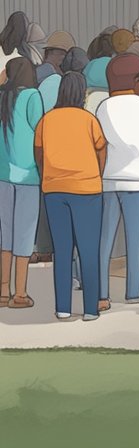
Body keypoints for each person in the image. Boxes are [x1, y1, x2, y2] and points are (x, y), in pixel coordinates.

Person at [95, 54, 139, 309]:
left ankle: (101, 292)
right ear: (137, 79)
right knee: (135, 241)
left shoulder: (102, 106)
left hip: (108, 180)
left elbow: (97, 142)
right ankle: (133, 291)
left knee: (104, 240)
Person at [34, 72, 107, 320]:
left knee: (62, 251)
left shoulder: (47, 120)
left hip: (54, 190)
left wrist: (47, 175)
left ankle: (63, 308)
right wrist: (97, 174)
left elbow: (39, 153)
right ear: (82, 93)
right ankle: (90, 309)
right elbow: (101, 149)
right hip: (87, 189)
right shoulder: (89, 120)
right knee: (88, 250)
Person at [0, 57, 45, 308]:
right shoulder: (32, 97)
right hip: (28, 174)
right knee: (25, 234)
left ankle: (3, 290)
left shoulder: (2, 98)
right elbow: (40, 130)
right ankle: (20, 293)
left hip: (2, 174)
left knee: (5, 233)